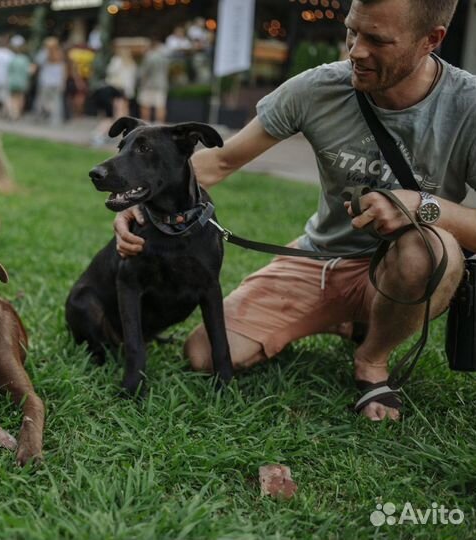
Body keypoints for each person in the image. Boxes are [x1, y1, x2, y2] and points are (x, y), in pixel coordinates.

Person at [113, 0, 475, 422]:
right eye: (352, 31)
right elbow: (220, 161)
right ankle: (345, 317)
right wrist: (140, 200)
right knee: (205, 355)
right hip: (319, 259)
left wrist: (423, 206)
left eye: (377, 39)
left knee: (430, 250)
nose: (355, 50)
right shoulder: (317, 88)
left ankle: (372, 361)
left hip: (398, 266)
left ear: (431, 40)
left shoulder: (466, 105)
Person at [90, 46, 137, 146]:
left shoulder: (117, 61)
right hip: (115, 92)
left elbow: (110, 73)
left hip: (109, 92)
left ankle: (102, 134)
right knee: (114, 117)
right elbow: (129, 83)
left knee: (111, 116)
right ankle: (100, 134)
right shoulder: (130, 65)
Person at [34, 37, 67, 126]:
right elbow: (63, 70)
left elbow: (37, 64)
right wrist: (63, 82)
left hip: (45, 82)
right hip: (57, 82)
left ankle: (42, 116)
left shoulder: (43, 53)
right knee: (57, 102)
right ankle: (55, 120)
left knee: (43, 101)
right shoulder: (60, 54)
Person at [137, 38, 170, 123]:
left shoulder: (149, 56)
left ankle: (145, 125)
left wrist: (141, 82)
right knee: (160, 106)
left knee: (145, 106)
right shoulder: (164, 57)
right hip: (161, 85)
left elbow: (143, 73)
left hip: (148, 86)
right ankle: (160, 125)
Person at [6, 35, 32, 120]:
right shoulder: (25, 59)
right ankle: (17, 113)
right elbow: (29, 71)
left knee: (12, 97)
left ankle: (12, 112)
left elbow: (9, 71)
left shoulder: (12, 58)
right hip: (22, 81)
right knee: (20, 98)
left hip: (12, 81)